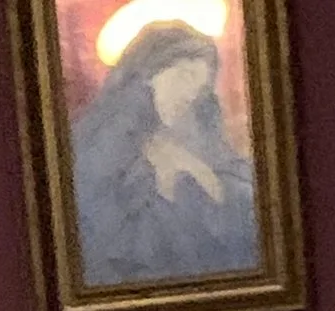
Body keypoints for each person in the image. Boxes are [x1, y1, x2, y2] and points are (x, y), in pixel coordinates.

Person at [69, 19, 260, 289]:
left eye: (200, 86)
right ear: (150, 70)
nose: (191, 93)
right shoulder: (104, 135)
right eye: (185, 76)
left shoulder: (194, 136)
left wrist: (200, 173)